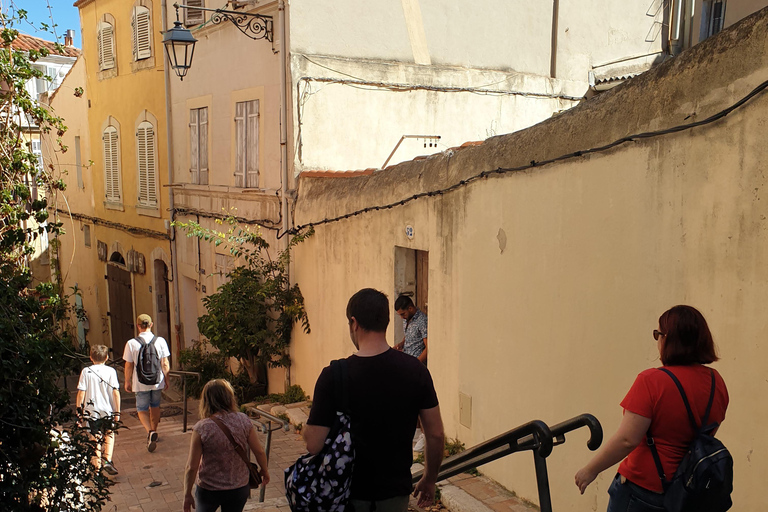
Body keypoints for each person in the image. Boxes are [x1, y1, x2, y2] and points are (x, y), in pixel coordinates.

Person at [574, 305, 729, 511]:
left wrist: (590, 470)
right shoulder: (716, 382)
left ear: (668, 339)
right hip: (687, 491)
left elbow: (628, 439)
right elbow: (704, 435)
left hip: (643, 489)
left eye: (658, 334)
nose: (657, 341)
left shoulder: (652, 381)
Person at [303, 288, 444, 511]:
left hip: (346, 494)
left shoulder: (334, 375)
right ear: (387, 322)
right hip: (394, 494)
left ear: (354, 323)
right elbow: (435, 434)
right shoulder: (416, 371)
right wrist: (429, 478)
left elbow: (313, 444)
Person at [183, 379, 270, 512]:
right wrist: (264, 469)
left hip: (209, 488)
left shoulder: (202, 428)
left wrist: (187, 494)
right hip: (238, 487)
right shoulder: (243, 420)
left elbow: (191, 467)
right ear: (230, 398)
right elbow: (259, 451)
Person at [123, 313, 170, 452]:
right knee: (155, 406)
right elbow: (165, 363)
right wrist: (166, 379)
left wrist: (127, 381)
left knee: (142, 410)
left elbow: (129, 365)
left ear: (138, 326)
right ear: (151, 325)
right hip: (157, 381)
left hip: (140, 382)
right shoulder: (160, 341)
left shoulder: (132, 343)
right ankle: (154, 430)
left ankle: (150, 431)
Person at [76, 344, 121, 475]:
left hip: (91, 410)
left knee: (94, 438)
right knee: (109, 433)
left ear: (90, 357)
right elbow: (116, 392)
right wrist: (117, 411)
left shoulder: (86, 371)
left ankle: (96, 469)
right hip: (107, 409)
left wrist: (79, 410)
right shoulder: (111, 371)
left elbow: (81, 393)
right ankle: (107, 459)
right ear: (107, 357)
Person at [394, 295, 428, 364]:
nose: (401, 317)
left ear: (410, 309)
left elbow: (428, 347)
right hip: (406, 360)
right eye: (400, 315)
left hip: (415, 363)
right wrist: (401, 344)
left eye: (403, 314)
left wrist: (416, 363)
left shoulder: (422, 321)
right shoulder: (406, 319)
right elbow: (408, 335)